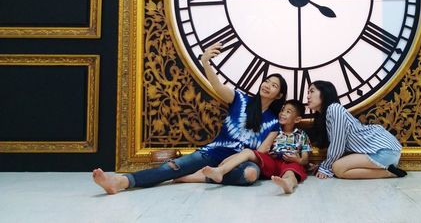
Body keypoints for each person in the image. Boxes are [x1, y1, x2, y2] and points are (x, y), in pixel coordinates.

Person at [92, 43, 287, 194]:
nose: (268, 85)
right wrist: (205, 62)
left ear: (279, 96)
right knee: (172, 168)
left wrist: (243, 157)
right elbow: (218, 87)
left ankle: (201, 177)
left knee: (251, 174)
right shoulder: (240, 99)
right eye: (267, 81)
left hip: (238, 162)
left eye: (274, 86)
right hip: (213, 152)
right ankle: (121, 182)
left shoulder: (273, 123)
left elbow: (261, 153)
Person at [195, 99, 311, 194]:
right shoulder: (275, 130)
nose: (282, 113)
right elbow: (263, 148)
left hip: (290, 162)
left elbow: (305, 159)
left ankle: (288, 184)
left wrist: (297, 159)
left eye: (288, 111)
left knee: (290, 172)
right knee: (248, 151)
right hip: (272, 160)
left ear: (297, 119)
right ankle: (220, 171)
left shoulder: (302, 135)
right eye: (282, 110)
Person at [306, 80, 406, 179]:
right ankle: (390, 170)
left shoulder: (334, 108)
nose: (308, 96)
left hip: (383, 150)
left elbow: (338, 144)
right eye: (308, 92)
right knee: (338, 168)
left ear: (324, 93)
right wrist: (322, 165)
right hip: (380, 151)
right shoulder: (326, 116)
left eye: (312, 91)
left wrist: (325, 167)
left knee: (337, 168)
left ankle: (390, 173)